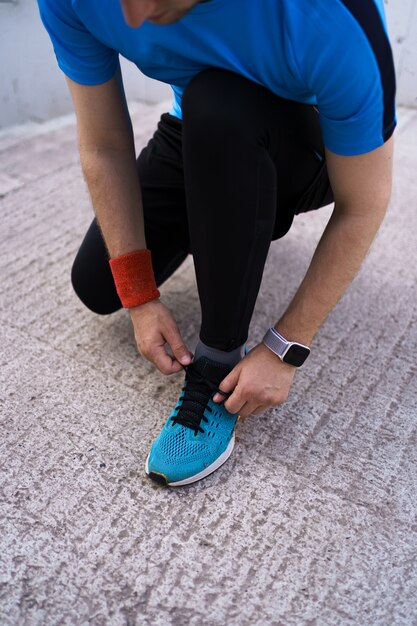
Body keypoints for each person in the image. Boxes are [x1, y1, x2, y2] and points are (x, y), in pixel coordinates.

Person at [37, 0, 396, 486]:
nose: (134, 17)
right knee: (99, 285)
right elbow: (103, 144)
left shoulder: (330, 17)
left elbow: (364, 203)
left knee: (218, 103)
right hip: (196, 128)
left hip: (303, 144)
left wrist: (284, 348)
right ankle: (230, 214)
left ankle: (216, 362)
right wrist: (140, 295)